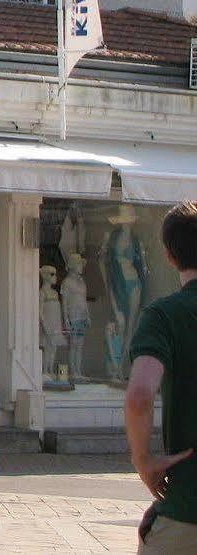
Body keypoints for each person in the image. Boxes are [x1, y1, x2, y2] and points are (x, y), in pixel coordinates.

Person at [127, 198, 197, 550]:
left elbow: (140, 395)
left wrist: (145, 462)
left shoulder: (163, 316)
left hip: (187, 504)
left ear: (169, 255)